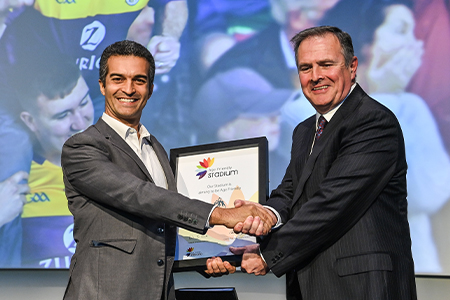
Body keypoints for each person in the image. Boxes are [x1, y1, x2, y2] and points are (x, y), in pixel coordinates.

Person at [207, 26, 417, 300]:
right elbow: (291, 191)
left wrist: (267, 253)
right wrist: (265, 215)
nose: (316, 76)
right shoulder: (305, 130)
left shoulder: (373, 121)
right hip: (311, 284)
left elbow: (334, 202)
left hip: (363, 287)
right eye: (306, 68)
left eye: (326, 64)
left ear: (352, 67)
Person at [61, 40, 275, 300]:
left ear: (150, 89)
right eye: (118, 79)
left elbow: (168, 217)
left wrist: (205, 257)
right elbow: (139, 195)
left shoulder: (156, 149)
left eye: (139, 80)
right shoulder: (82, 147)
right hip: (106, 292)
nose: (128, 89)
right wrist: (221, 214)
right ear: (102, 85)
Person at [16, 53, 94, 268]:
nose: (80, 123)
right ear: (30, 121)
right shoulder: (14, 177)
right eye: (62, 116)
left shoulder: (128, 164)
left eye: (84, 103)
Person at [193, 67, 292, 191]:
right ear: (227, 129)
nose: (276, 119)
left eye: (276, 111)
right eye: (261, 113)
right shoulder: (198, 183)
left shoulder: (286, 170)